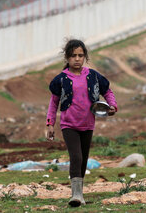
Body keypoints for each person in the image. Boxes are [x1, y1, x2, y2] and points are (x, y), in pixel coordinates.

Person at [46, 39, 117, 207]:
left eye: (80, 55)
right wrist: (50, 123)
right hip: (69, 125)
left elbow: (107, 91)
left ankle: (80, 193)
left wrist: (112, 105)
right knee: (76, 157)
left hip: (88, 124)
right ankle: (75, 195)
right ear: (67, 58)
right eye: (73, 56)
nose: (77, 59)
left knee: (84, 159)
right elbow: (53, 103)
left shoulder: (93, 76)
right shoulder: (61, 80)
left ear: (85, 56)